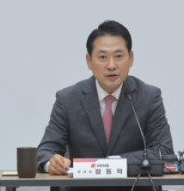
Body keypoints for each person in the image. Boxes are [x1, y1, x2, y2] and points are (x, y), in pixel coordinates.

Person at [37, 20, 173, 189]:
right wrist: (51, 163)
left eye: (118, 56)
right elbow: (45, 151)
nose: (111, 65)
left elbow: (164, 152)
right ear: (89, 61)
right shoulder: (67, 99)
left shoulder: (149, 97)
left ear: (131, 59)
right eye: (102, 57)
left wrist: (114, 163)